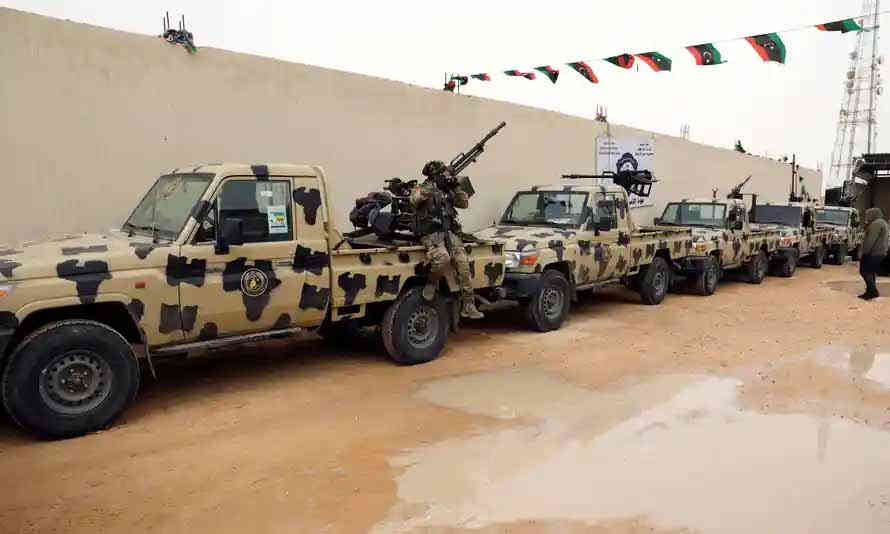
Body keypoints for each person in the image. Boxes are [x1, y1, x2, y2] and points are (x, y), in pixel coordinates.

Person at [410, 160, 484, 319]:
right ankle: (431, 283)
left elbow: (464, 204)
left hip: (449, 232)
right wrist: (434, 186)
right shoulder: (422, 187)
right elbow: (414, 200)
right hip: (431, 233)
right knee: (442, 258)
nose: (444, 176)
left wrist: (455, 187)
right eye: (441, 174)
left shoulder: (447, 190)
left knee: (463, 264)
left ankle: (468, 304)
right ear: (433, 175)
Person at [858, 207, 889, 300]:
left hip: (873, 253)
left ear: (873, 214)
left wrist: (865, 252)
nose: (867, 217)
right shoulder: (882, 222)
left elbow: (870, 240)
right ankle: (870, 291)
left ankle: (872, 291)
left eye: (868, 215)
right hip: (880, 252)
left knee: (865, 271)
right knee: (870, 272)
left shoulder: (876, 224)